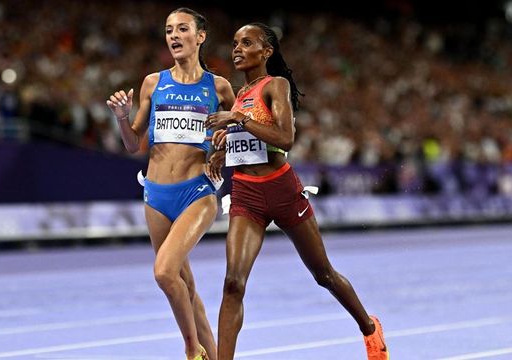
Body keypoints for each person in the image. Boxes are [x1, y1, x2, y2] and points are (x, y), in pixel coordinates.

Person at [205, 23, 389, 360]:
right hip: (246, 195)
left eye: (247, 43)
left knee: (324, 274)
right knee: (233, 283)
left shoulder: (275, 86)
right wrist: (224, 149)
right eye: (235, 43)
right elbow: (249, 147)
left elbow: (284, 139)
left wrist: (237, 120)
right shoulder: (238, 94)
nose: (237, 49)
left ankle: (369, 327)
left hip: (283, 192)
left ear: (266, 52)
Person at [106, 8, 235, 360]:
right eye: (168, 30)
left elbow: (240, 137)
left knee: (164, 273)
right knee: (187, 288)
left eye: (182, 29)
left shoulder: (219, 87)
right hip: (156, 195)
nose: (174, 36)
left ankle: (192, 350)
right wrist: (122, 118)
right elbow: (134, 145)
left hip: (198, 192)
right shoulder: (153, 82)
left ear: (200, 36)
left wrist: (223, 150)